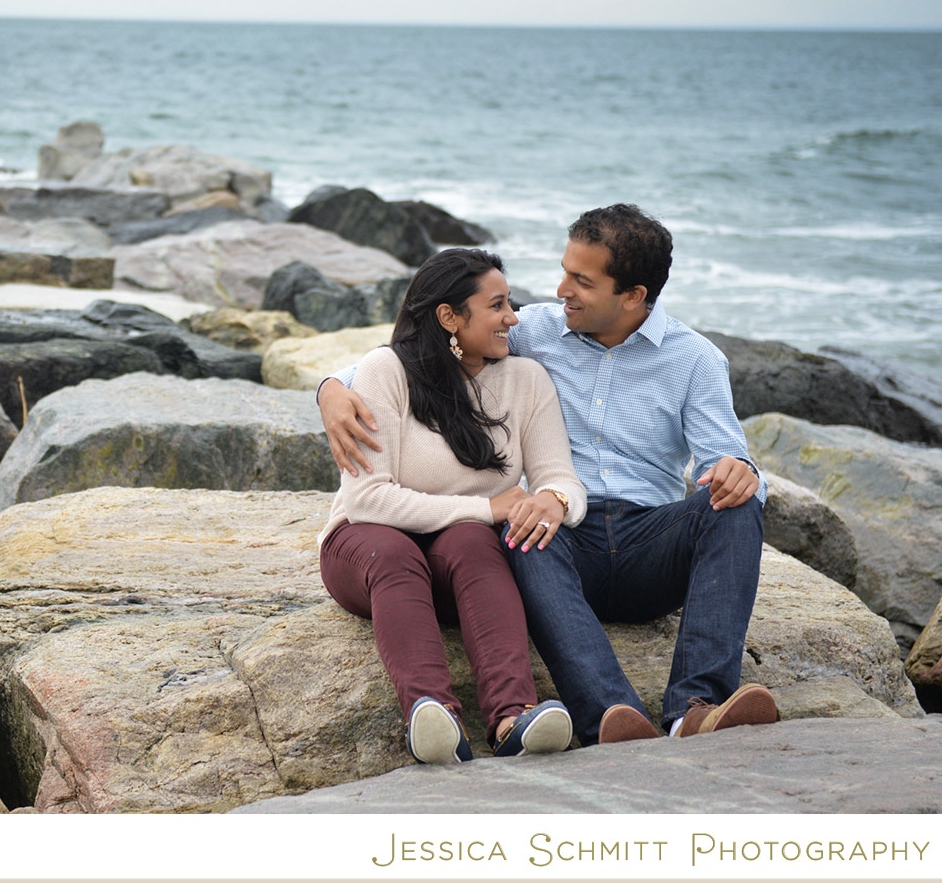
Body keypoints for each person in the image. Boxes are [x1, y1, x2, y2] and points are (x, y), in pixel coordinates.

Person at [318, 204, 778, 746]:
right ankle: (608, 716)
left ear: (632, 295)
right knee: (522, 532)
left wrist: (740, 473)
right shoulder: (535, 329)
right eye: (563, 271)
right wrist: (329, 389)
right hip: (563, 542)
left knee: (737, 507)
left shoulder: (695, 359)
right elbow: (407, 357)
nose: (560, 291)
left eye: (581, 281)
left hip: (647, 541)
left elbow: (724, 462)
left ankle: (694, 708)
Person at [317, 246, 586, 764]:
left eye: (510, 303)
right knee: (401, 552)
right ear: (448, 317)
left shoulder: (526, 380)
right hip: (366, 551)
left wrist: (554, 501)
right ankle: (433, 714)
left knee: (475, 545)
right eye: (498, 305)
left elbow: (560, 478)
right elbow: (369, 500)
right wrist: (487, 509)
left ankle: (512, 718)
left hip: (451, 566)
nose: (513, 318)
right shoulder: (386, 371)